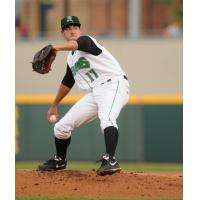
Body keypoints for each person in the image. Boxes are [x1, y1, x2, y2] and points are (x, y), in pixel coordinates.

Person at [38, 16, 130, 176]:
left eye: (75, 27)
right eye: (67, 28)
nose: (72, 30)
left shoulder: (86, 41)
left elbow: (80, 44)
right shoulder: (71, 58)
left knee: (107, 118)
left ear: (79, 29)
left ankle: (111, 160)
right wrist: (54, 106)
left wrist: (56, 48)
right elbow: (67, 82)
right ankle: (60, 160)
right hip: (96, 92)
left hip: (114, 84)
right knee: (61, 127)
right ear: (62, 32)